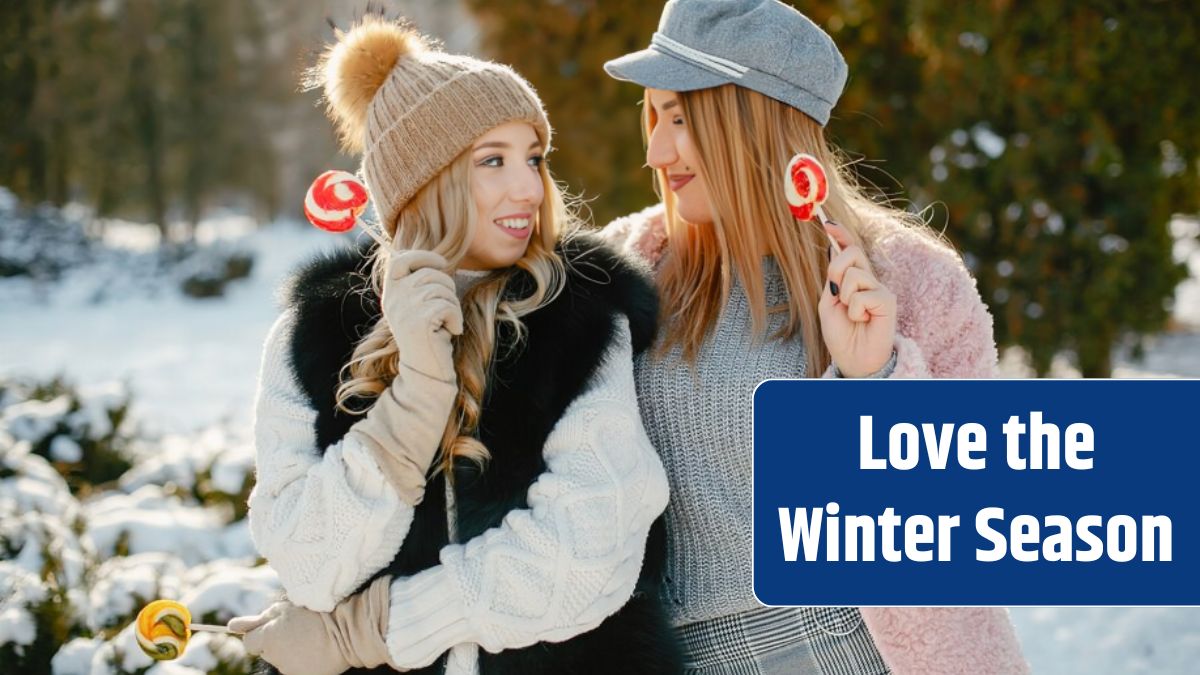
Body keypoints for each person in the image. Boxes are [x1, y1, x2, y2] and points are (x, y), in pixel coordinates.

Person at [227, 16, 681, 675]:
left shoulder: (577, 317)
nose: (528, 188)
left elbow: (587, 547)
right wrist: (414, 399)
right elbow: (305, 558)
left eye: (533, 158)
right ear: (421, 178)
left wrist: (371, 630)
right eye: (492, 160)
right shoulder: (315, 334)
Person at [600, 1, 1029, 673]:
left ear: (752, 121)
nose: (656, 149)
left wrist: (877, 379)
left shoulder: (911, 283)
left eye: (680, 119)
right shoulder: (623, 271)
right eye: (654, 117)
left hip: (852, 646)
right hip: (677, 655)